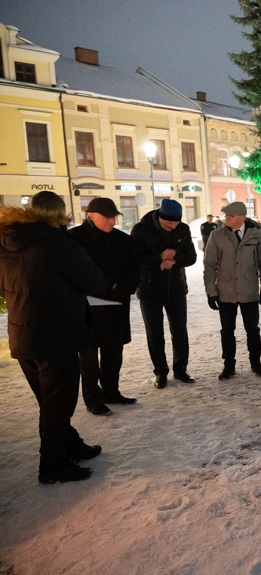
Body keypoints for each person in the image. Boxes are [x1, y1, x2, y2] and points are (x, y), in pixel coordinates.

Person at [0, 191, 107, 483]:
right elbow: (96, 281)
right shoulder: (60, 244)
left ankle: (70, 445)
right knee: (57, 404)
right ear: (60, 214)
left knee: (50, 402)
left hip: (22, 335)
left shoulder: (8, 240)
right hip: (56, 336)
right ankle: (51, 466)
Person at [68, 198, 140, 415]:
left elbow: (135, 268)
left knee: (114, 352)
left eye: (113, 217)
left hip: (117, 304)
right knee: (89, 357)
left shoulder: (122, 240)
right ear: (91, 215)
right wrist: (108, 283)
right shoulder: (74, 239)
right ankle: (93, 398)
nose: (111, 221)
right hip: (87, 307)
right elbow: (77, 271)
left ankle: (111, 391)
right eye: (107, 217)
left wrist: (122, 286)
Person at [131, 198, 197, 388]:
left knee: (180, 331)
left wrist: (174, 258)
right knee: (155, 333)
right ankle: (160, 372)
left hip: (176, 288)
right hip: (149, 290)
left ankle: (181, 369)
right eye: (169, 224)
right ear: (159, 217)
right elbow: (136, 259)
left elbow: (191, 257)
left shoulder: (182, 229)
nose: (172, 227)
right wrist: (159, 257)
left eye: (175, 223)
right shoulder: (141, 230)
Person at [204, 201, 261, 380]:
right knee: (227, 330)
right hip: (225, 291)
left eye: (231, 216)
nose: (226, 218)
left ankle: (256, 363)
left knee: (253, 330)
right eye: (225, 215)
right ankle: (229, 365)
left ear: (242, 217)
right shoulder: (216, 236)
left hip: (249, 290)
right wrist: (211, 292)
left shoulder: (255, 235)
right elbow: (209, 265)